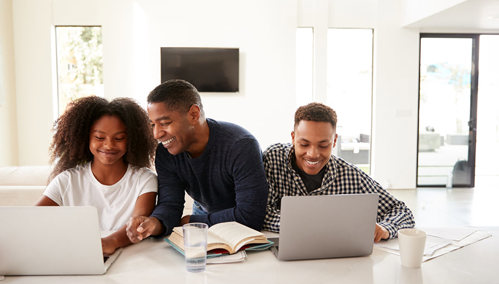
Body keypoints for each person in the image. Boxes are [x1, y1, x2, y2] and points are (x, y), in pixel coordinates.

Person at [126, 79, 268, 242]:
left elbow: (250, 215)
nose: (157, 134)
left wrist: (192, 221)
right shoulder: (166, 153)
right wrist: (155, 222)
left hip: (238, 227)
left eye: (164, 123)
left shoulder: (240, 145)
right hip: (204, 217)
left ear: (194, 114)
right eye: (152, 125)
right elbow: (170, 204)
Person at [262, 102, 415, 242]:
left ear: (334, 141)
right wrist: (318, 225)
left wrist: (384, 229)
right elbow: (261, 213)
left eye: (323, 145)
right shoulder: (273, 159)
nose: (313, 154)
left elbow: (401, 211)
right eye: (304, 144)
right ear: (293, 138)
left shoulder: (349, 175)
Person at [36, 96, 158, 255]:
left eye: (119, 138)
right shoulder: (67, 181)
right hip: (77, 256)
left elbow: (137, 226)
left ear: (132, 140)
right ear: (85, 137)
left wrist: (111, 242)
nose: (109, 145)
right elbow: (32, 221)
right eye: (99, 138)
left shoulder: (144, 179)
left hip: (131, 258)